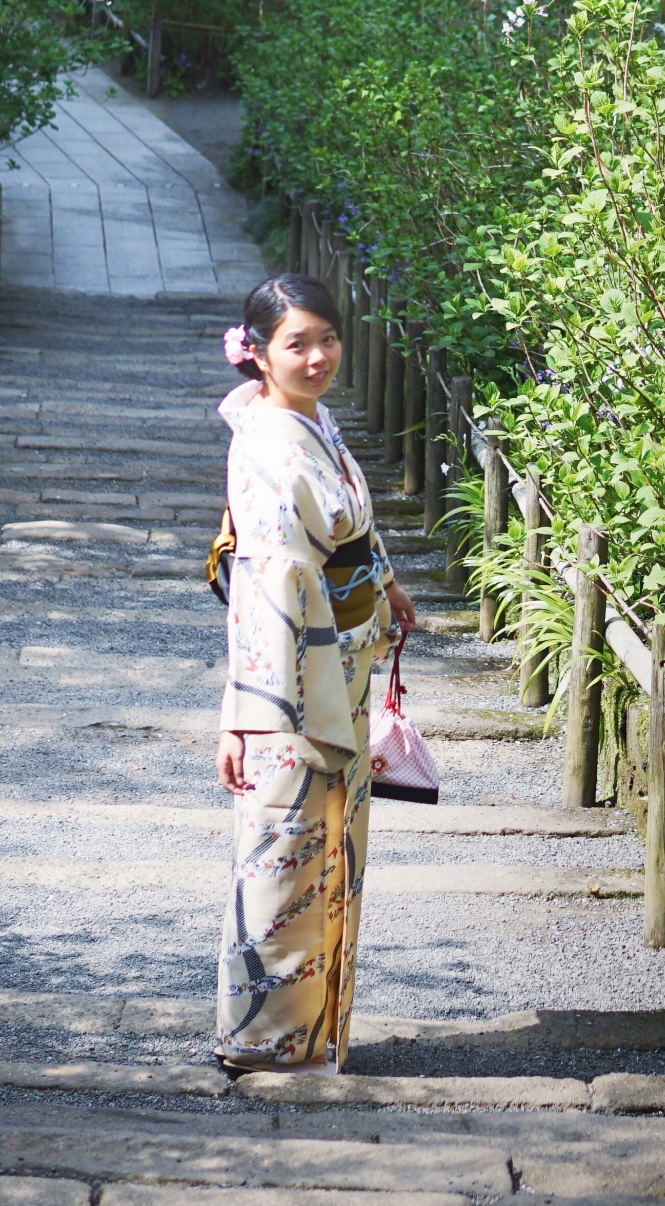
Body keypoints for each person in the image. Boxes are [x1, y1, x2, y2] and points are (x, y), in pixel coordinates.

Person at [213, 272, 415, 1076]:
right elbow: (264, 590)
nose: (319, 355)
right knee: (284, 845)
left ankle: (311, 1032)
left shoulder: (310, 421)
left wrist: (388, 581)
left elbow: (351, 528)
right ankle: (260, 1039)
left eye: (327, 338)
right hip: (290, 682)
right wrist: (247, 712)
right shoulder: (266, 444)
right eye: (297, 343)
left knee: (328, 844)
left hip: (341, 662)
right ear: (258, 353)